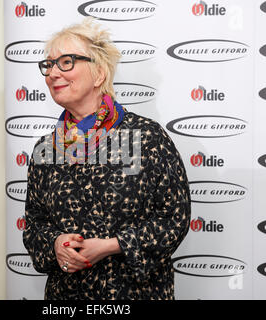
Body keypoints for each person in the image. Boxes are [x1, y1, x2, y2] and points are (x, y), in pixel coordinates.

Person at [22, 18, 191, 300]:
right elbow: (34, 225)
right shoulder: (47, 148)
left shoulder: (145, 137)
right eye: (49, 65)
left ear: (99, 74)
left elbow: (175, 218)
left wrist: (112, 245)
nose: (52, 73)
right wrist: (55, 243)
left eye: (66, 62)